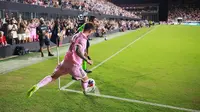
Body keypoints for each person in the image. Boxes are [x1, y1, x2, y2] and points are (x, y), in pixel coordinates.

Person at [27, 23, 96, 97]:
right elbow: (77, 50)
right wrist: (87, 60)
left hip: (65, 62)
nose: (91, 33)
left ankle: (37, 86)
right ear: (90, 30)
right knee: (85, 79)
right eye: (92, 32)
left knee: (52, 77)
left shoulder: (77, 35)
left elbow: (74, 46)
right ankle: (85, 91)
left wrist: (83, 52)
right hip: (75, 65)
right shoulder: (82, 39)